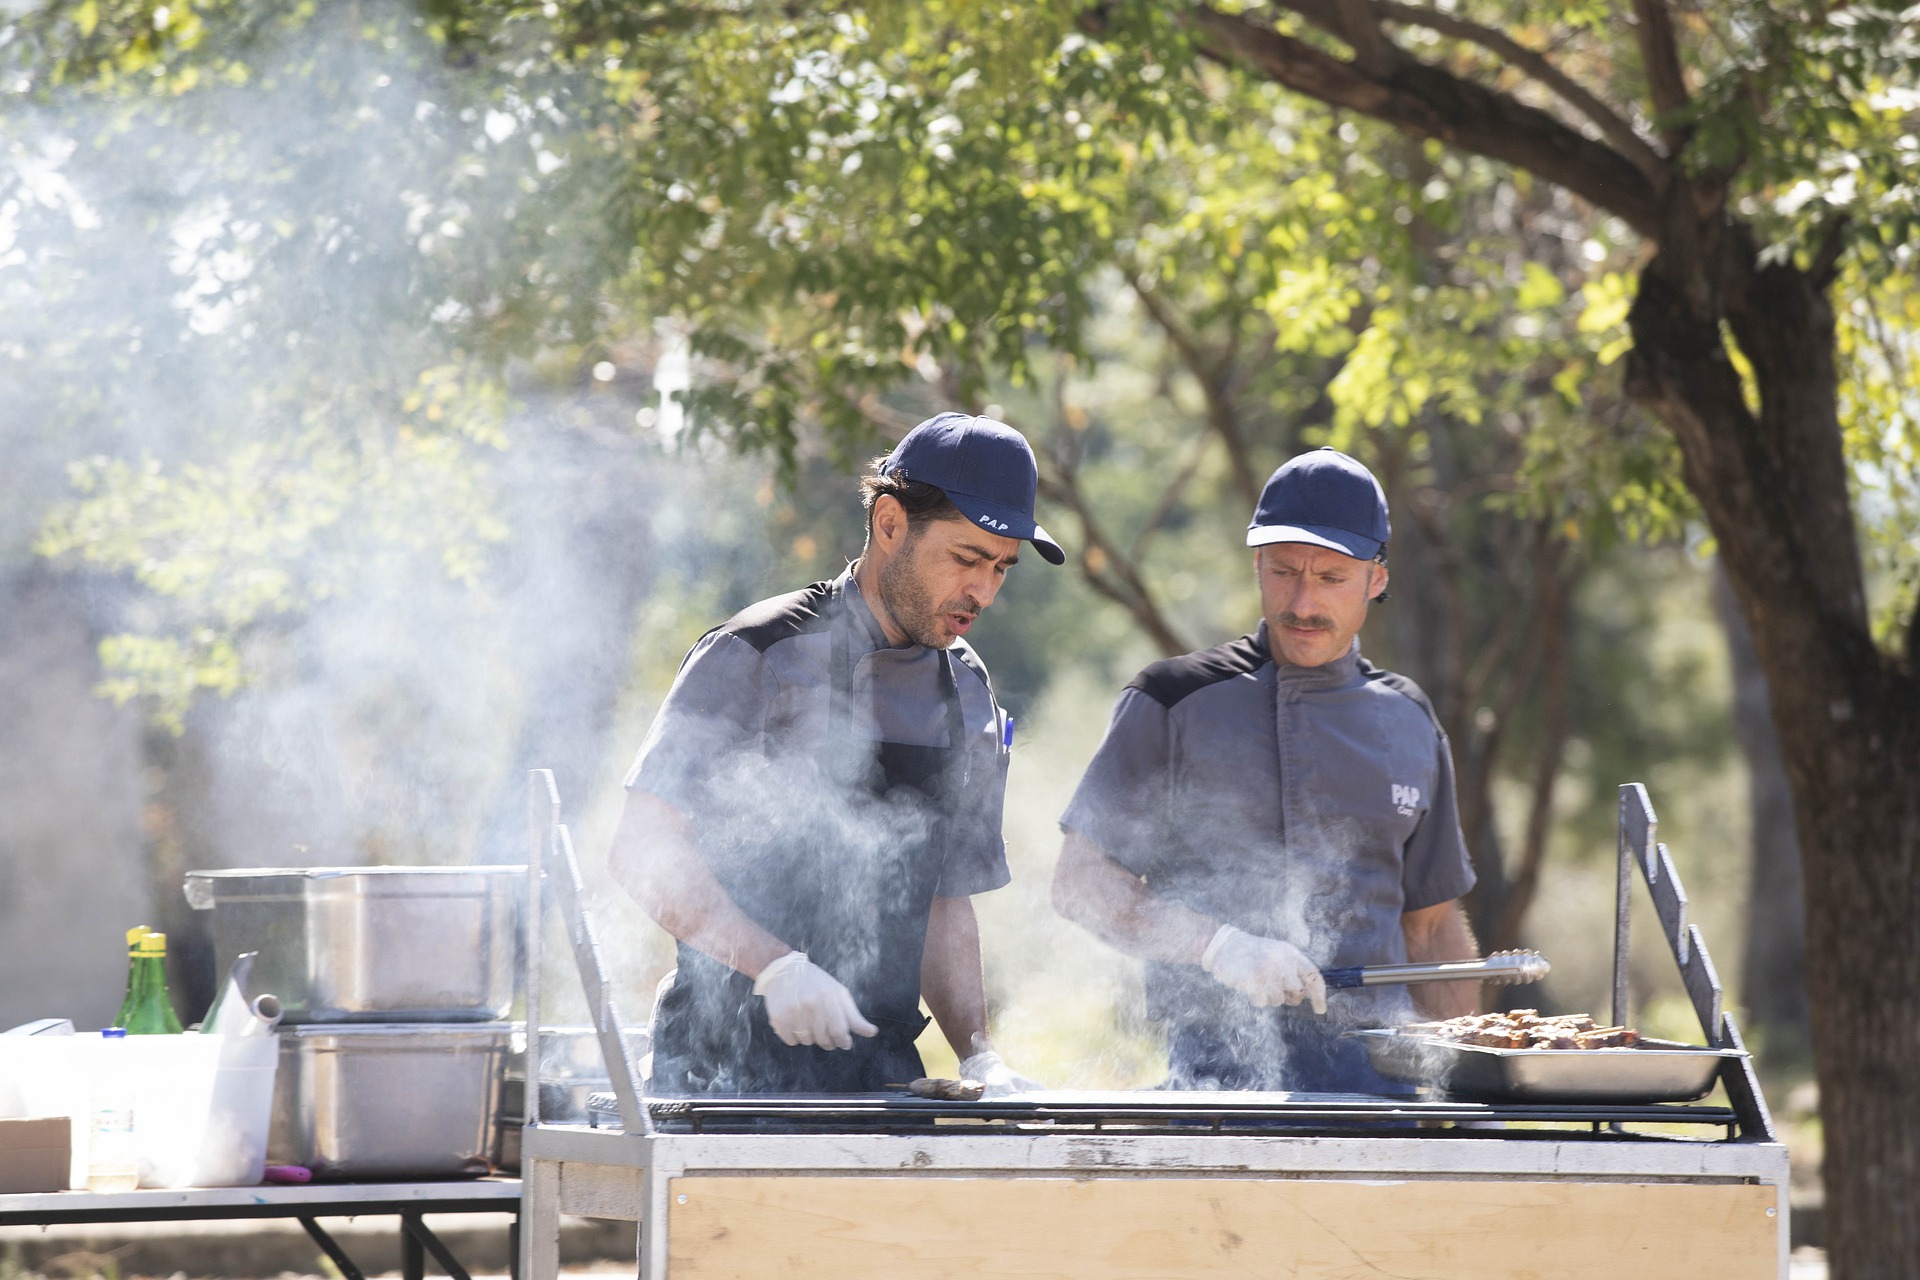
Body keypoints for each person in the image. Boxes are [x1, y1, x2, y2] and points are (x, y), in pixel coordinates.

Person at [610, 411, 1061, 1096]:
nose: (984, 591)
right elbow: (642, 850)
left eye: (1002, 568)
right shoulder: (758, 652)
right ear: (890, 524)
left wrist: (977, 1055)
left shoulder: (967, 689)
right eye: (967, 559)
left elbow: (945, 898)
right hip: (717, 1081)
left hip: (880, 1088)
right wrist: (774, 968)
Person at [1051, 447, 1480, 1093]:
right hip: (1214, 1078)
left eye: (1332, 578)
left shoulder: (1409, 719)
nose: (1303, 602)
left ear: (1377, 580)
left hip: (1383, 1082)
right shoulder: (1173, 700)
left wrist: (1469, 1075)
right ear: (1257, 565)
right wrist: (1217, 946)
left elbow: (1432, 927)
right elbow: (1080, 884)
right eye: (1284, 572)